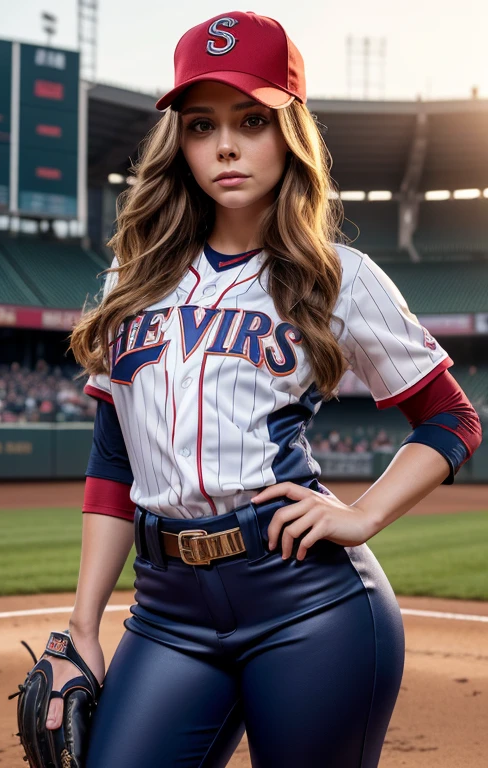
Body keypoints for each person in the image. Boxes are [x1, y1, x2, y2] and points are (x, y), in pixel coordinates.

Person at [42, 11, 482, 767]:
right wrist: (84, 625)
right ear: (177, 141)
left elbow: (451, 418)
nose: (226, 146)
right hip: (166, 612)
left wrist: (364, 514)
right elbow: (114, 461)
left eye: (253, 119)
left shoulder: (340, 278)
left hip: (309, 605)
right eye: (201, 124)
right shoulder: (130, 281)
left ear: (291, 131)